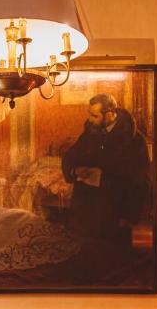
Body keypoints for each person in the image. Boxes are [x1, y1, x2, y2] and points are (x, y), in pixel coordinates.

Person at [61, 93, 151, 242]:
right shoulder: (90, 132)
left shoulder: (134, 140)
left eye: (94, 116)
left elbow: (141, 181)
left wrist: (128, 218)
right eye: (90, 114)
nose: (90, 119)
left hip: (114, 214)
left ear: (109, 115)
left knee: (112, 257)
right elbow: (71, 157)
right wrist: (75, 170)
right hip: (85, 213)